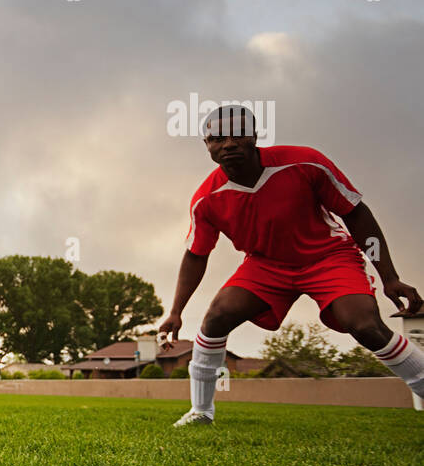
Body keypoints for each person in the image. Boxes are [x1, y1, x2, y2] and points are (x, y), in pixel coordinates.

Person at [159, 104, 424, 427]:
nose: (227, 144)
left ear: (254, 136)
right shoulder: (207, 198)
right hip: (266, 265)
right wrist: (176, 311)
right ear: (207, 145)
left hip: (328, 256)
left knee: (364, 324)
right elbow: (197, 254)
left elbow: (355, 212)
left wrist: (390, 277)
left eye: (237, 135)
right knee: (216, 317)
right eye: (217, 139)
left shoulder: (305, 162)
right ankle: (201, 411)